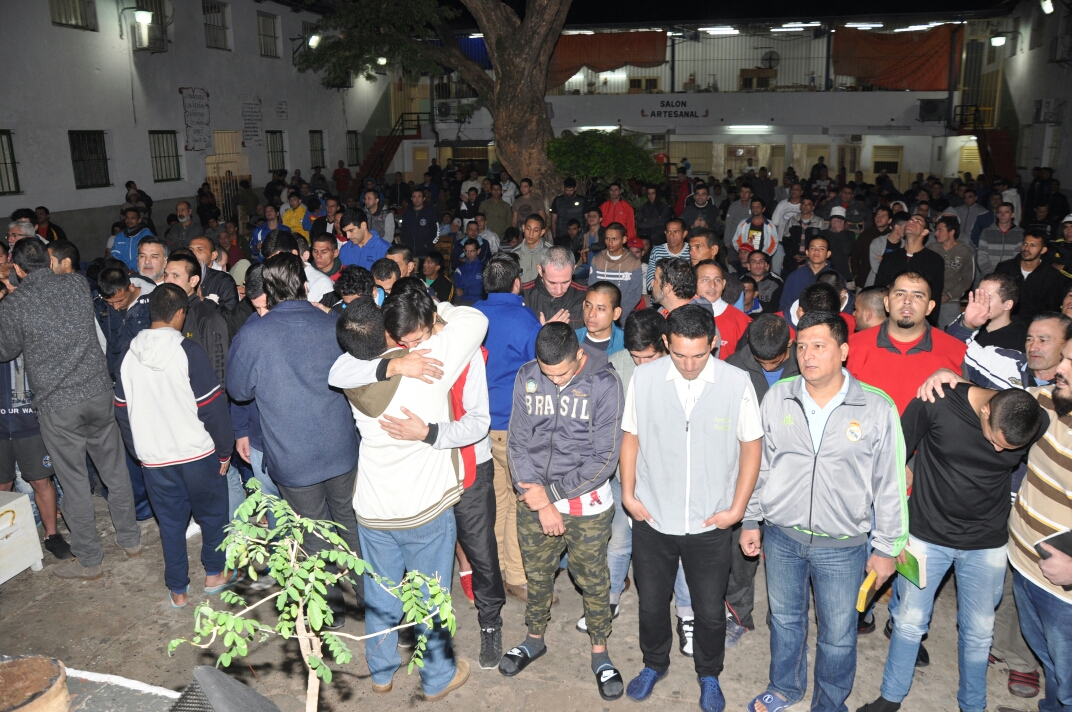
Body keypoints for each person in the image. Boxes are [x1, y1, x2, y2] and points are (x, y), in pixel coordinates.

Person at [742, 310, 908, 712]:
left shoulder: (874, 407)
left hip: (843, 544)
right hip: (782, 536)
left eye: (819, 346)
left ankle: (829, 703)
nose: (808, 355)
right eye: (802, 347)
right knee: (784, 621)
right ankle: (785, 687)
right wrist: (751, 518)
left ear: (844, 351)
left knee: (837, 633)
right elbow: (760, 465)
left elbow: (890, 484)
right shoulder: (779, 396)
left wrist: (887, 547)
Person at [334, 288, 486, 697]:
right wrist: (435, 309)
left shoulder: (356, 372)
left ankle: (381, 674)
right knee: (431, 594)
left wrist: (395, 360)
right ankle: (437, 677)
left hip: (372, 508)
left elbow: (335, 370)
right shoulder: (432, 358)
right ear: (389, 332)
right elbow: (476, 320)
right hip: (423, 509)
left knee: (383, 592)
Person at [857, 386, 1046, 712]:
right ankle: (890, 699)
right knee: (909, 622)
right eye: (995, 440)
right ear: (985, 411)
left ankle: (973, 706)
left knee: (979, 632)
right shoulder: (936, 404)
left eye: (1010, 448)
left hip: (987, 542)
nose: (1000, 452)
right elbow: (891, 466)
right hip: (926, 535)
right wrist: (894, 535)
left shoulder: (1033, 420)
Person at [621, 304, 762, 712]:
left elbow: (751, 446)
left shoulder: (736, 383)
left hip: (710, 521)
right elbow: (631, 436)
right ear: (666, 342)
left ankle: (709, 674)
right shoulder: (645, 378)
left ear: (714, 343)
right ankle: (654, 663)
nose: (688, 363)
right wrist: (629, 495)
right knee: (651, 602)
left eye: (698, 354)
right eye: (679, 353)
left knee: (708, 609)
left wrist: (737, 509)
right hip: (652, 516)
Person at [227, 252, 363, 626]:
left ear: (267, 292)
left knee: (312, 532)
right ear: (303, 285)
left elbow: (238, 390)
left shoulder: (253, 334)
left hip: (293, 456)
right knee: (351, 524)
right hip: (341, 449)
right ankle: (379, 608)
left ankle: (331, 616)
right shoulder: (332, 323)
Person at [0, 239, 141, 580]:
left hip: (57, 405)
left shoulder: (16, 304)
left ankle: (90, 560)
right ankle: (131, 539)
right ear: (49, 259)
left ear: (17, 269)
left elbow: (6, 350)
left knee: (74, 481)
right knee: (114, 471)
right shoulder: (77, 284)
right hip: (96, 394)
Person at [502, 322, 626, 701]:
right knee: (538, 577)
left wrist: (550, 496)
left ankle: (600, 653)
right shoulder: (528, 376)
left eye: (562, 373)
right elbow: (517, 443)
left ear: (580, 356)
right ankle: (534, 639)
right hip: (534, 501)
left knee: (593, 581)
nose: (553, 381)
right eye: (546, 372)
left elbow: (604, 459)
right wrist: (538, 501)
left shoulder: (605, 384)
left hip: (585, 506)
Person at [113, 284, 237, 607]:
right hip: (198, 455)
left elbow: (122, 414)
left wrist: (140, 452)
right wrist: (225, 450)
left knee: (170, 525)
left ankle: (178, 591)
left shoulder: (128, 358)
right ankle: (214, 575)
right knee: (213, 516)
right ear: (180, 313)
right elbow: (212, 407)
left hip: (155, 461)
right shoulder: (188, 352)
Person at [1006, 339, 1072, 712]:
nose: (1058, 367)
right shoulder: (1049, 400)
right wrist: (952, 380)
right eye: (1063, 357)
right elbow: (997, 401)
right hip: (1026, 565)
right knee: (1052, 668)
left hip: (1066, 593)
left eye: (1070, 361)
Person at [474, 254, 543, 601]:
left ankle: (497, 572)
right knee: (520, 503)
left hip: (478, 426)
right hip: (514, 426)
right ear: (517, 283)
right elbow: (540, 371)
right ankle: (517, 576)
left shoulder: (472, 314)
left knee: (497, 502)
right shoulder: (524, 319)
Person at [847, 271, 967, 414]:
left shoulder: (956, 351)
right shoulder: (852, 347)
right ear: (886, 303)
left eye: (917, 296)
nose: (907, 301)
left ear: (930, 307)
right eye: (899, 294)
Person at [0, 337, 72, 559]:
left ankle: (52, 535)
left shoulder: (21, 321)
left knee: (41, 480)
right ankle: (6, 543)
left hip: (29, 422)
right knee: (3, 486)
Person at [163, 252, 230, 386]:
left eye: (175, 275)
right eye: (166, 275)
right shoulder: (163, 311)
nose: (168, 281)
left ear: (193, 280)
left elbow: (219, 370)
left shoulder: (207, 317)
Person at [874, 214, 946, 326]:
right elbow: (879, 289)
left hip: (919, 322)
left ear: (925, 232)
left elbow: (934, 295)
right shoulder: (891, 258)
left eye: (918, 221)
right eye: (910, 220)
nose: (911, 222)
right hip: (890, 320)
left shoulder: (935, 260)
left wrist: (930, 325)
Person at [994, 230, 1068, 322]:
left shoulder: (1052, 276)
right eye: (1025, 244)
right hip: (1005, 325)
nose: (1026, 248)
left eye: (1033, 245)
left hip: (1034, 327)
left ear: (1043, 250)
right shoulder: (1005, 268)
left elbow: (1052, 308)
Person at [695, 260, 751, 359]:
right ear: (694, 283)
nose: (712, 285)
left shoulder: (742, 321)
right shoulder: (679, 315)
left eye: (717, 280)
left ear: (724, 284)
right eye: (705, 280)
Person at [522, 245, 588, 329]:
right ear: (540, 270)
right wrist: (541, 332)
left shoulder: (585, 295)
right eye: (552, 283)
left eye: (565, 282)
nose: (559, 291)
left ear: (573, 270)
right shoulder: (523, 296)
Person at [927, 215, 974, 327]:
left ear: (951, 232)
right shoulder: (932, 249)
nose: (936, 234)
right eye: (936, 230)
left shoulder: (964, 251)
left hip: (951, 301)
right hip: (930, 300)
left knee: (948, 335)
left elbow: (967, 280)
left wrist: (949, 295)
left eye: (940, 230)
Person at [588, 222, 643, 322]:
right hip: (599, 316)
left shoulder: (633, 262)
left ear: (624, 240)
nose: (610, 242)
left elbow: (635, 294)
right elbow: (592, 287)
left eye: (614, 239)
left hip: (622, 317)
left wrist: (617, 314)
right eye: (607, 238)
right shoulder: (597, 259)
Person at [957, 273, 1026, 351]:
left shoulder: (1022, 340)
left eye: (987, 297)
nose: (980, 301)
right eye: (978, 295)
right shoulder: (965, 327)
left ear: (1007, 305)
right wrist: (968, 325)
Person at [780, 234, 839, 314]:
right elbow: (784, 305)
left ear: (828, 254)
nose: (816, 251)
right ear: (807, 252)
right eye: (812, 248)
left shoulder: (836, 278)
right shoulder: (794, 277)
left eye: (821, 249)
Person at [189, 236, 240, 314]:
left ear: (213, 255)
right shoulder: (182, 277)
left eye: (200, 249)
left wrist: (203, 300)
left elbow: (230, 316)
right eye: (191, 250)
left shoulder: (224, 280)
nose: (193, 253)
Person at [781, 197, 829, 277]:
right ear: (800, 206)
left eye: (809, 204)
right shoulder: (792, 221)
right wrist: (793, 254)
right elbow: (786, 241)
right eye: (803, 204)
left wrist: (808, 255)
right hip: (793, 258)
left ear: (813, 207)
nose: (805, 206)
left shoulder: (820, 222)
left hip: (812, 258)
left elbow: (823, 242)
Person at [575, 281, 624, 354]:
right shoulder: (572, 338)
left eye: (600, 309)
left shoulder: (626, 344)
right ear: (583, 305)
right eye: (588, 306)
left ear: (616, 313)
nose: (591, 314)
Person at [977, 203, 1024, 276]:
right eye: (1000, 212)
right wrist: (991, 272)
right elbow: (981, 256)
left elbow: (1018, 257)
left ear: (1012, 215)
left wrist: (1008, 273)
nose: (1002, 215)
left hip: (1010, 277)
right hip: (989, 276)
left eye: (1006, 212)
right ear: (997, 214)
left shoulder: (1020, 233)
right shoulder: (986, 232)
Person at [646, 218, 690, 292]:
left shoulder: (691, 251)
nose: (671, 236)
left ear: (684, 233)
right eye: (668, 232)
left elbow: (694, 283)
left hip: (685, 300)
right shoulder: (657, 251)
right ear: (665, 233)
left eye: (676, 232)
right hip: (661, 301)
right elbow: (650, 284)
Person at [111, 207, 155, 271]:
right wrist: (125, 268)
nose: (129, 220)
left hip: (143, 271)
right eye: (127, 218)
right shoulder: (120, 235)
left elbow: (149, 253)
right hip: (124, 271)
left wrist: (134, 269)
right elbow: (115, 253)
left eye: (132, 218)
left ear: (139, 220)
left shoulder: (146, 234)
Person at [513, 214, 551, 284]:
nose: (531, 233)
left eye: (536, 230)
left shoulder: (551, 252)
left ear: (542, 232)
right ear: (523, 228)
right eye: (528, 229)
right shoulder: (515, 254)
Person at [400, 188, 438, 258]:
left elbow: (436, 231)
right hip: (409, 252)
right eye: (414, 197)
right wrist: (405, 244)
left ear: (424, 199)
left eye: (419, 196)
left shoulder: (430, 213)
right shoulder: (407, 213)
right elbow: (403, 230)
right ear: (411, 199)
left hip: (425, 252)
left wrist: (428, 244)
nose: (416, 199)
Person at [454, 239, 485, 305]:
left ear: (478, 251)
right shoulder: (459, 269)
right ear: (464, 251)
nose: (469, 254)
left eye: (472, 251)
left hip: (479, 301)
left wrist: (465, 290)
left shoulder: (484, 268)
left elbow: (484, 289)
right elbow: (458, 291)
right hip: (462, 301)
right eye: (467, 251)